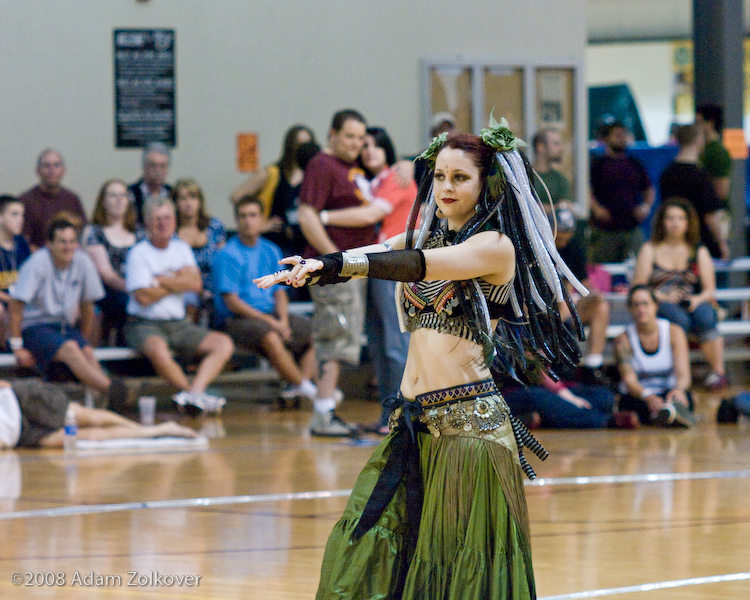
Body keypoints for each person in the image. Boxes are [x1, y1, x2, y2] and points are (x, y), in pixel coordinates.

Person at [257, 122, 587, 599]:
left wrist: (336, 264)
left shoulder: (494, 247)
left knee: (457, 572)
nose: (446, 187)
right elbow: (377, 251)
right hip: (413, 427)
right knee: (369, 549)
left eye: (460, 178)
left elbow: (420, 265)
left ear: (486, 184)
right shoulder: (422, 234)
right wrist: (319, 266)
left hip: (469, 435)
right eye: (439, 176)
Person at [319, 126, 416, 434]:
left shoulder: (395, 178)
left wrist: (319, 217)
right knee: (377, 343)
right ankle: (389, 415)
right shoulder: (370, 181)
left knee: (395, 343)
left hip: (395, 265)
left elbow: (370, 216)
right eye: (365, 146)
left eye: (376, 146)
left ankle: (403, 415)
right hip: (375, 266)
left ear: (388, 150)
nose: (369, 151)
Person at [297, 108, 376, 437]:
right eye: (349, 136)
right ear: (332, 134)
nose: (356, 143)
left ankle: (327, 409)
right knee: (334, 337)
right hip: (335, 271)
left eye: (361, 137)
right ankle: (323, 413)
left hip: (356, 269)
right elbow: (306, 214)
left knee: (346, 339)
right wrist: (332, 259)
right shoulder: (322, 164)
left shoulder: (354, 167)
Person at [124, 198, 234, 415]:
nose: (162, 223)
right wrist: (177, 280)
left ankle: (193, 395)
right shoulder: (138, 253)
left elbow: (195, 284)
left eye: (167, 218)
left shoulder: (181, 248)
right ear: (147, 223)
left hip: (180, 324)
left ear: (174, 221)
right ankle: (193, 396)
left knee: (223, 344)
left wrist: (160, 280)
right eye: (156, 219)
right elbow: (143, 298)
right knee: (159, 353)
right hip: (144, 325)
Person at [8, 217, 126, 407]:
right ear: (49, 244)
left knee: (86, 351)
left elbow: (89, 305)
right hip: (35, 327)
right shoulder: (36, 263)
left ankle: (103, 405)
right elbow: (16, 304)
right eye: (62, 241)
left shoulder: (83, 261)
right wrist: (16, 346)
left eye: (72, 241)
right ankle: (112, 389)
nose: (68, 247)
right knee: (71, 348)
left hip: (64, 326)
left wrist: (85, 339)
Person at [212, 196, 317, 401]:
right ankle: (307, 388)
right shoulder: (228, 254)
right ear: (236, 220)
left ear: (261, 219)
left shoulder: (271, 250)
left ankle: (297, 387)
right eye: (242, 216)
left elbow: (280, 292)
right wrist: (273, 323)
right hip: (237, 319)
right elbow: (231, 302)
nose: (247, 221)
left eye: (252, 215)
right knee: (271, 336)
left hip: (271, 314)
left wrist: (284, 321)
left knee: (315, 333)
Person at [632, 197, 727, 390]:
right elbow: (639, 286)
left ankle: (718, 372)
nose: (675, 223)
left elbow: (709, 289)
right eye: (670, 218)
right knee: (679, 320)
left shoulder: (698, 250)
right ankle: (681, 374)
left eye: (680, 218)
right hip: (659, 301)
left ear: (688, 222)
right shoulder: (650, 249)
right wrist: (660, 296)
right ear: (662, 222)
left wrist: (696, 299)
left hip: (691, 300)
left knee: (706, 315)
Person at [0, 378, 196, 449]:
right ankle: (159, 430)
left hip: (23, 401)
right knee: (88, 436)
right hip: (21, 435)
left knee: (89, 418)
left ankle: (143, 428)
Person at [231, 124, 317, 258]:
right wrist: (260, 224)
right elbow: (237, 196)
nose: (303, 149)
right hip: (274, 242)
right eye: (299, 144)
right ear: (290, 146)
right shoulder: (272, 173)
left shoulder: (311, 175)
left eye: (307, 144)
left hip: (303, 243)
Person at [615, 285, 695, 427]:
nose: (641, 309)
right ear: (629, 309)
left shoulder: (674, 332)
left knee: (685, 398)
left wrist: (678, 389)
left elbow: (683, 374)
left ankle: (666, 414)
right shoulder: (623, 339)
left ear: (655, 306)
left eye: (645, 304)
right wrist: (647, 395)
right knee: (631, 405)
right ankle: (665, 417)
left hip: (668, 392)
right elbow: (629, 380)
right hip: (640, 395)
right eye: (636, 305)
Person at [550, 207, 610, 382]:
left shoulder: (574, 246)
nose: (562, 242)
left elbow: (583, 283)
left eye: (566, 237)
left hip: (566, 305)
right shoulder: (538, 246)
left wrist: (594, 295)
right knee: (562, 297)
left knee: (600, 305)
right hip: (542, 308)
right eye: (559, 237)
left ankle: (593, 365)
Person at [83, 179, 144, 346]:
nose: (118, 200)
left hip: (137, 286)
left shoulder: (139, 232)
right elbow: (106, 274)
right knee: (126, 303)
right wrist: (134, 289)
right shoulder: (94, 232)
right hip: (106, 290)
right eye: (113, 195)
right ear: (103, 201)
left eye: (123, 195)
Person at [658, 124, 728, 259]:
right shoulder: (701, 176)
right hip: (700, 240)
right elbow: (709, 214)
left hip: (674, 239)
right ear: (698, 140)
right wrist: (721, 242)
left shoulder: (667, 173)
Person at [589, 121, 655, 264]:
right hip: (605, 229)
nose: (622, 139)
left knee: (637, 265)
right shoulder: (598, 165)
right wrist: (596, 208)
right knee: (602, 269)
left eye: (624, 135)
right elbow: (587, 190)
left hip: (631, 227)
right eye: (617, 135)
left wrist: (645, 207)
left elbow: (649, 189)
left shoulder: (634, 163)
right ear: (606, 138)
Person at [173, 178, 226, 323]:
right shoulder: (171, 232)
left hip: (213, 284)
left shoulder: (214, 226)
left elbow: (223, 260)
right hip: (184, 286)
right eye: (183, 198)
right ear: (175, 203)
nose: (188, 203)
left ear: (200, 201)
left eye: (193, 197)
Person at [19, 149, 88, 251]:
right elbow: (23, 242)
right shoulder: (25, 200)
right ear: (37, 171)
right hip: (38, 259)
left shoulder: (72, 199)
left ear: (63, 170)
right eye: (46, 165)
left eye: (56, 165)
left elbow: (84, 234)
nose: (52, 170)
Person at [0, 196, 31, 348]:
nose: (21, 219)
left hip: (20, 299)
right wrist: (10, 300)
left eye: (22, 215)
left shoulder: (21, 243)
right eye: (14, 214)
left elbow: (30, 276)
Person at [128, 142, 173, 224]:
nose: (158, 171)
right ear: (144, 167)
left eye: (162, 166)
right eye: (153, 165)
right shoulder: (130, 193)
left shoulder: (173, 194)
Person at [532, 127, 572, 206]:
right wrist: (557, 207)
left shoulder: (560, 179)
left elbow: (566, 206)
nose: (561, 148)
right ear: (541, 147)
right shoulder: (525, 177)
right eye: (556, 144)